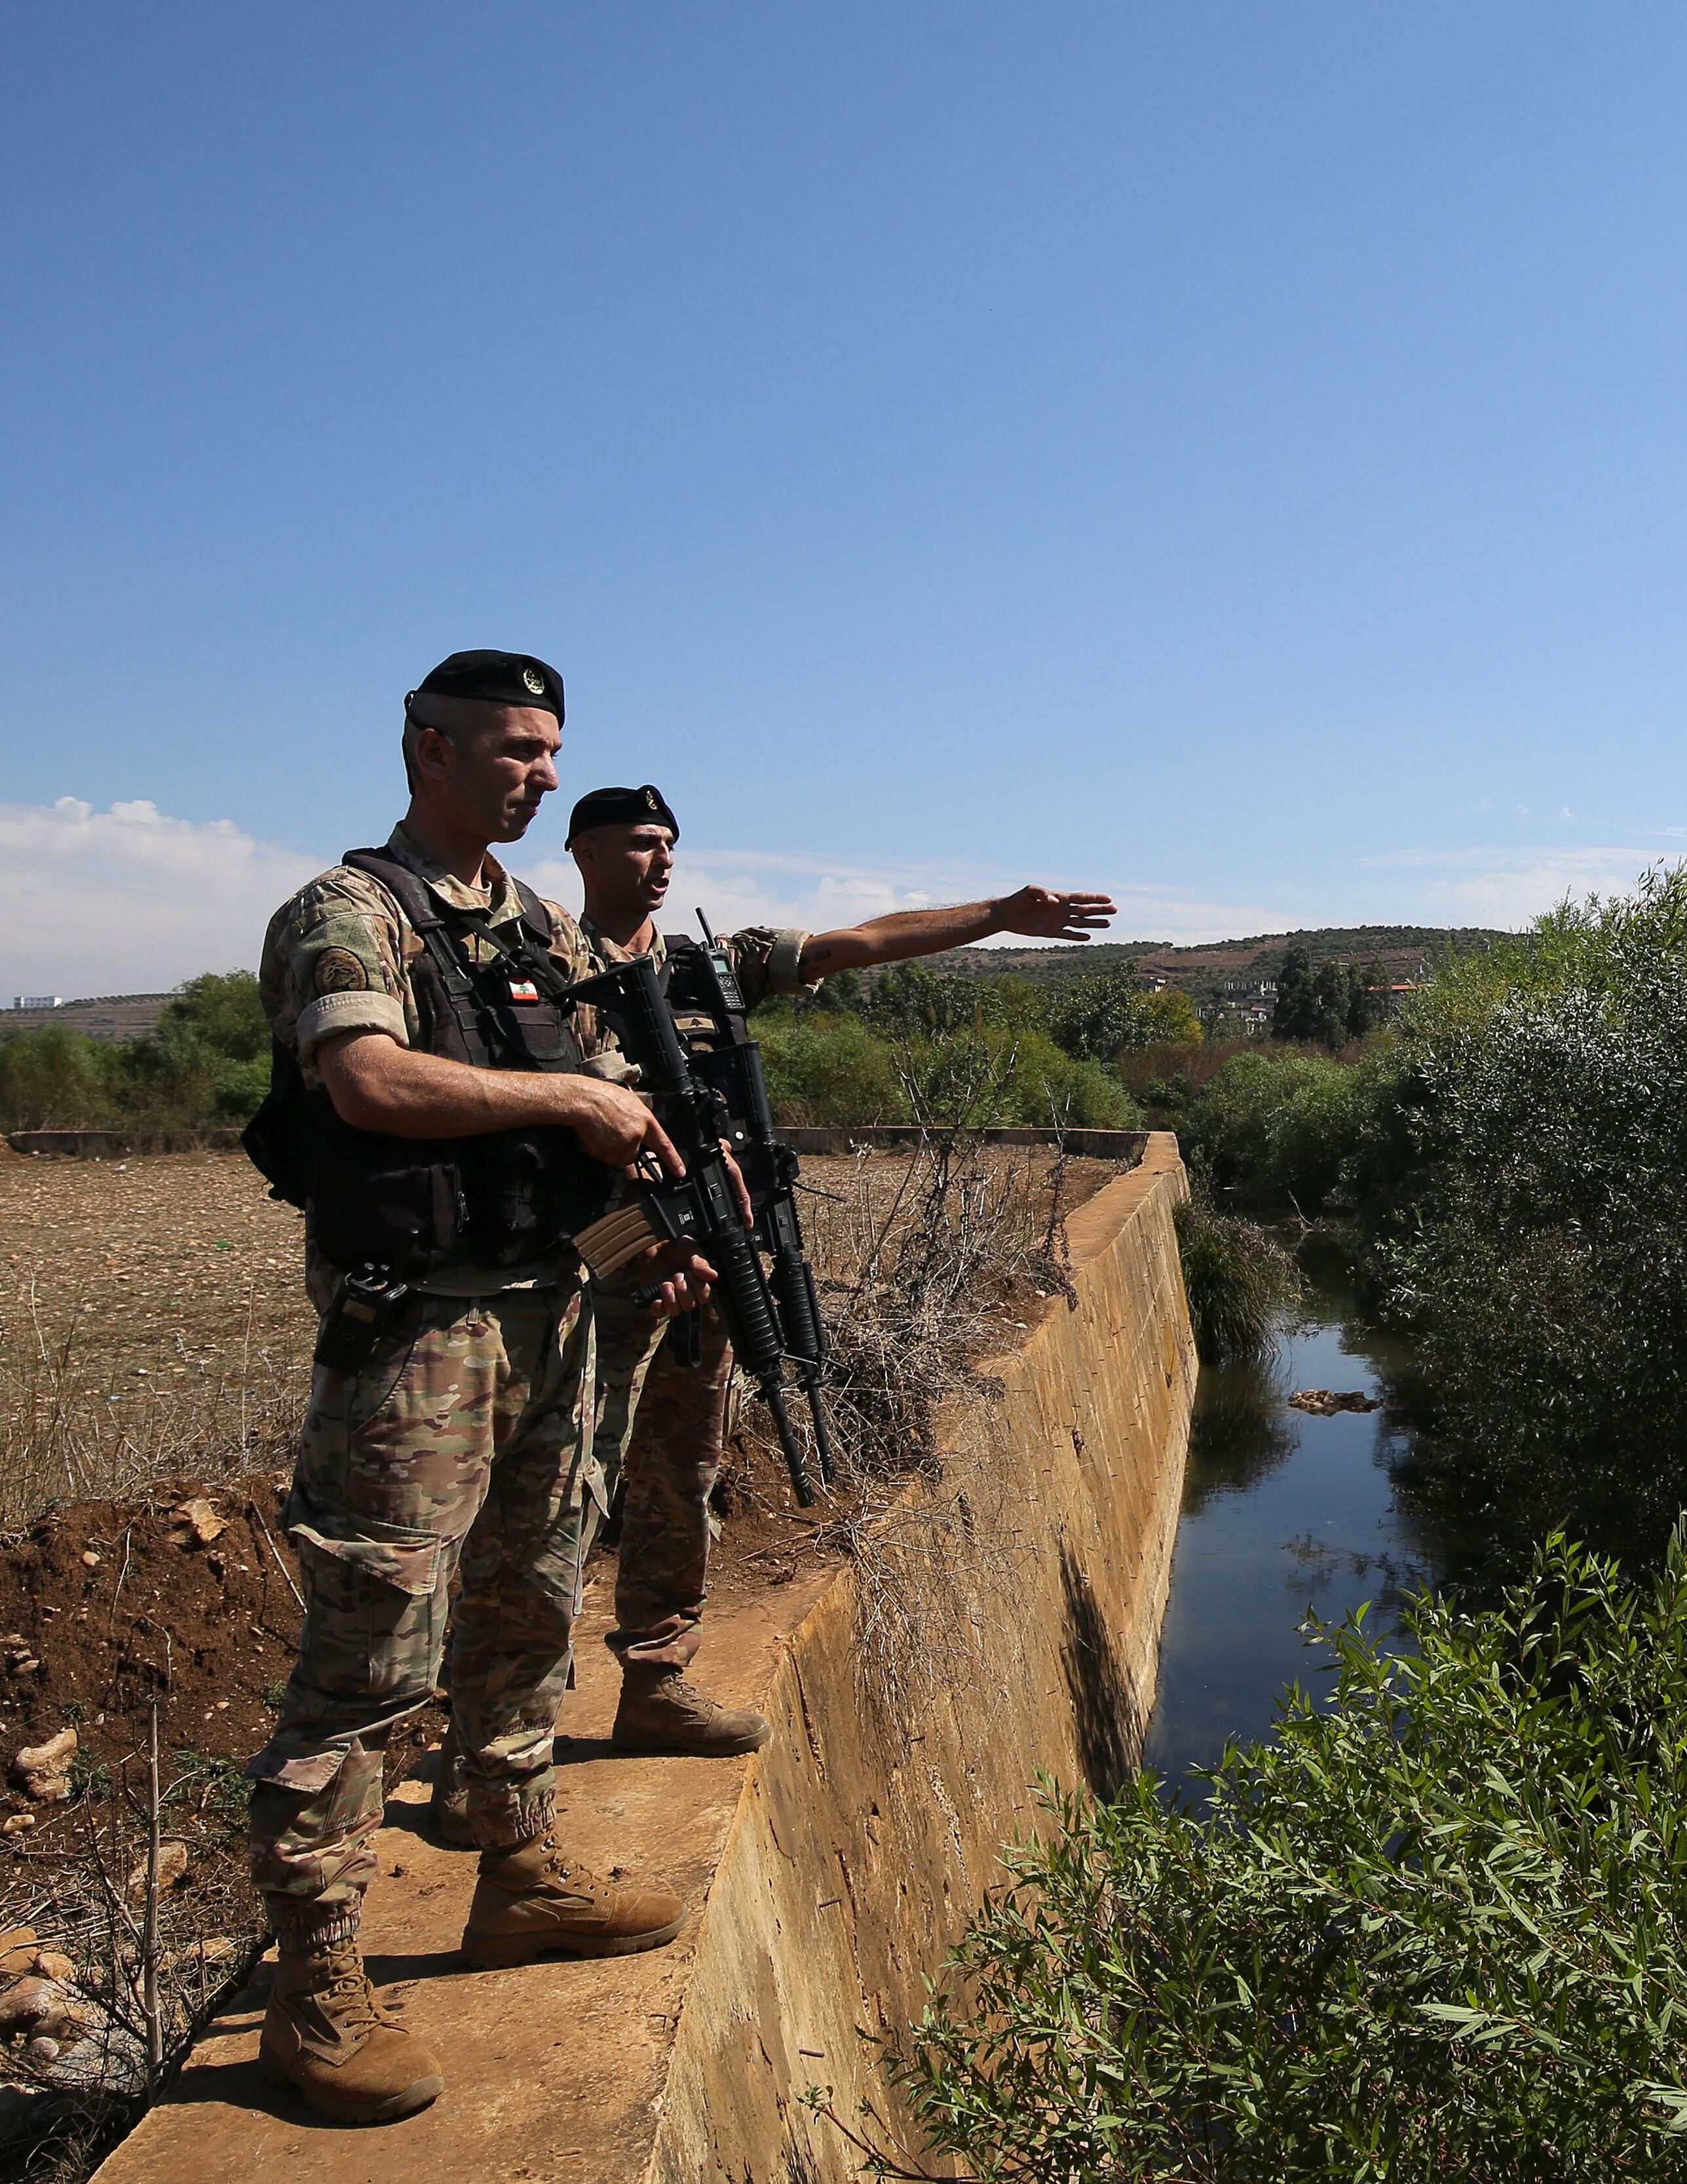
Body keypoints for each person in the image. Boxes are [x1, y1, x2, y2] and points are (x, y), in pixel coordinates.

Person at [240, 652, 718, 2125]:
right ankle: (316, 1984)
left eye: (551, 749)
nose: (544, 775)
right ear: (428, 748)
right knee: (371, 1648)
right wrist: (576, 1093)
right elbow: (372, 1082)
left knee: (531, 1602)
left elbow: (584, 1139)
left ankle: (518, 1872)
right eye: (516, 749)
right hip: (419, 1343)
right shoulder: (350, 911)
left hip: (554, 1315)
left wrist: (647, 1252)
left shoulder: (536, 923)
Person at [563, 784, 1114, 1755]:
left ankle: (655, 1679)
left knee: (681, 1471)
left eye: (669, 844)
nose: (661, 861)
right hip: (602, 1276)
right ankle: (503, 1712)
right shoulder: (546, 965)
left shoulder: (712, 964)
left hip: (712, 1260)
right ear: (583, 851)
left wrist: (997, 916)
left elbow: (855, 942)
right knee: (566, 1480)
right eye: (640, 843)